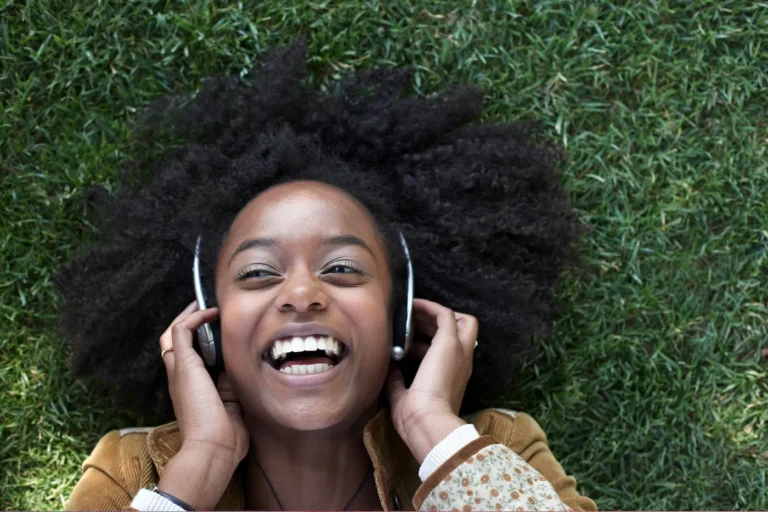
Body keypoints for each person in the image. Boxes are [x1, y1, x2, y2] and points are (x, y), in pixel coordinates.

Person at [57, 41, 596, 511]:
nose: (301, 294)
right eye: (259, 272)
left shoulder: (497, 444)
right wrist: (198, 468)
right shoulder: (133, 471)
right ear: (206, 326)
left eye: (341, 267)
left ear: (401, 313)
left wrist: (434, 430)